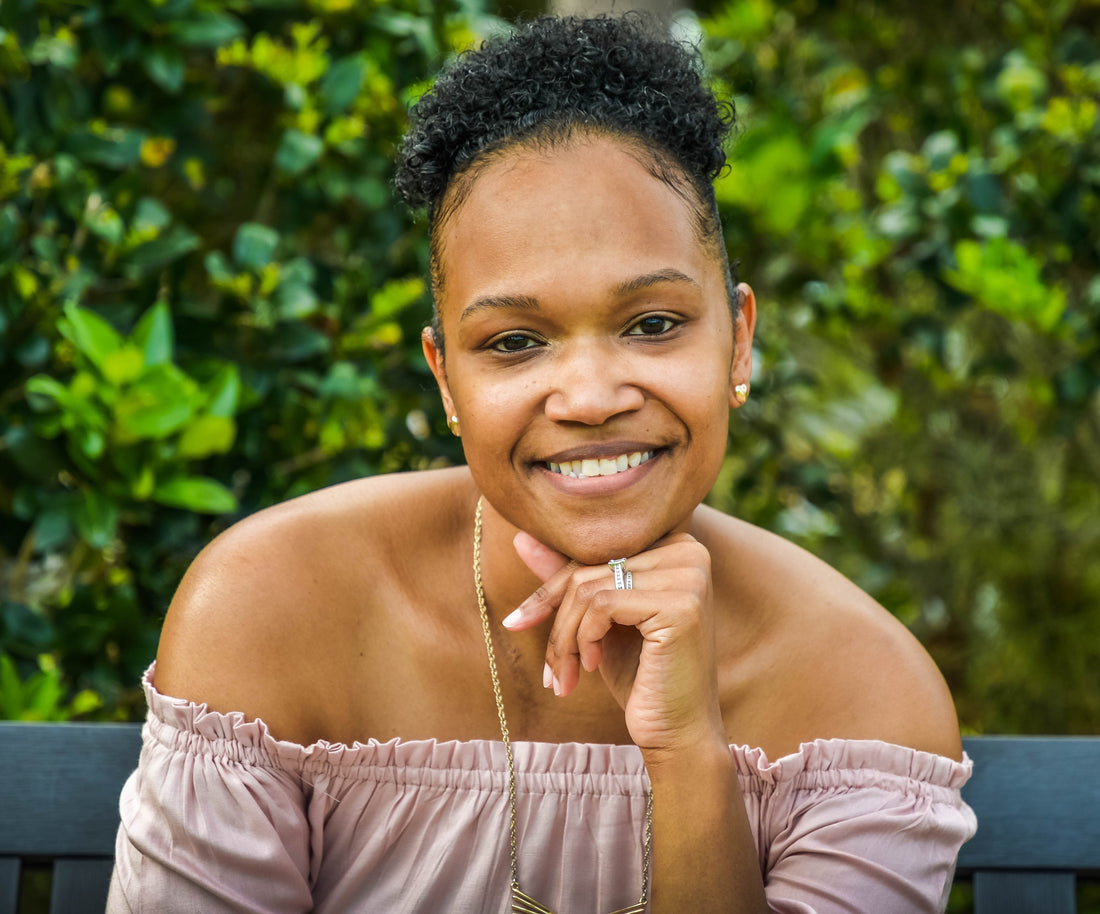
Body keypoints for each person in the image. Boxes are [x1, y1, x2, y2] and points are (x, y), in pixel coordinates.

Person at [109, 14, 976, 914]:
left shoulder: (862, 691)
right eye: (516, 342)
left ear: (739, 343)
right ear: (446, 380)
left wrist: (687, 754)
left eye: (652, 324)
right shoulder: (271, 606)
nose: (592, 395)